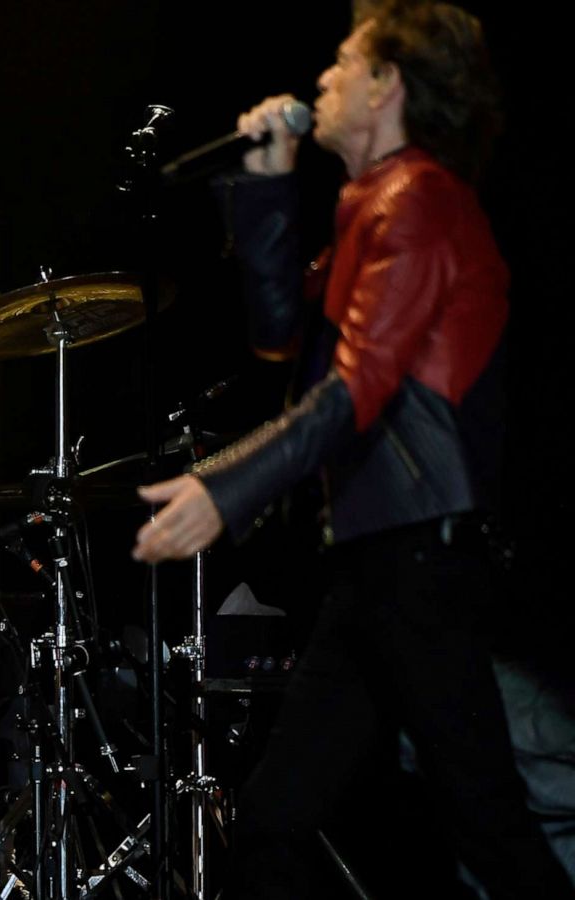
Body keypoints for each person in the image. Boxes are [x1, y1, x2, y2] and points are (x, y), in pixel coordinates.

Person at [131, 2, 571, 895]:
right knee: (274, 824)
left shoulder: (424, 204)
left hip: (421, 563)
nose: (320, 79)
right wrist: (264, 183)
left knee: (485, 827)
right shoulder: (371, 203)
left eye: (341, 63)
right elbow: (281, 339)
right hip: (377, 566)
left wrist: (224, 489)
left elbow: (355, 389)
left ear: (387, 87)